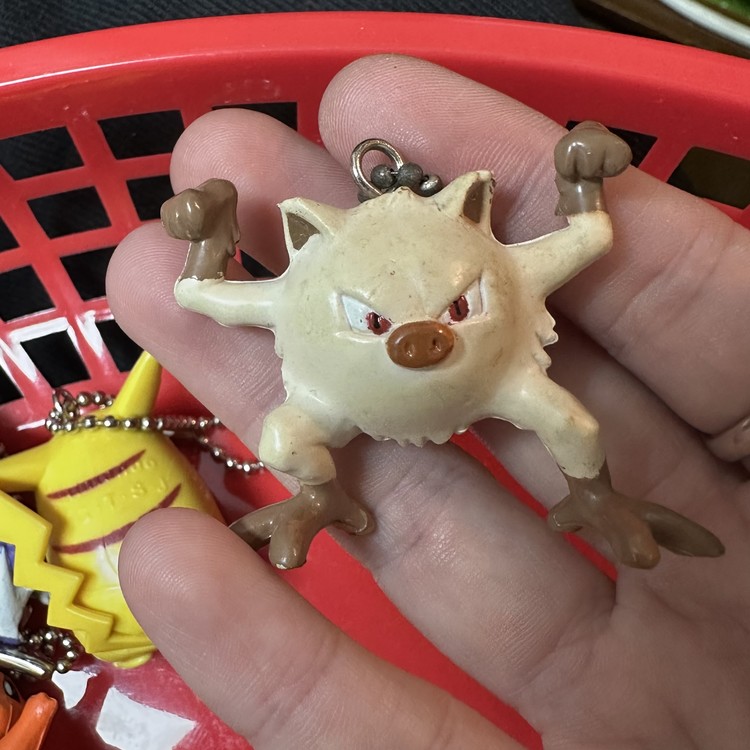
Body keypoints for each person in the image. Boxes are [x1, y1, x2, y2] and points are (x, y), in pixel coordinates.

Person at [107, 56, 750, 748]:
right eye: (374, 322)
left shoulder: (505, 264)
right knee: (283, 440)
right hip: (339, 400)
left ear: (474, 215)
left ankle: (596, 496)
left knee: (572, 421)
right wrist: (211, 232)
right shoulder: (296, 290)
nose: (420, 341)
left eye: (456, 309)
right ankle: (321, 495)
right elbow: (197, 294)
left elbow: (592, 238)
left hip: (499, 378)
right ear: (304, 240)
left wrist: (579, 179)